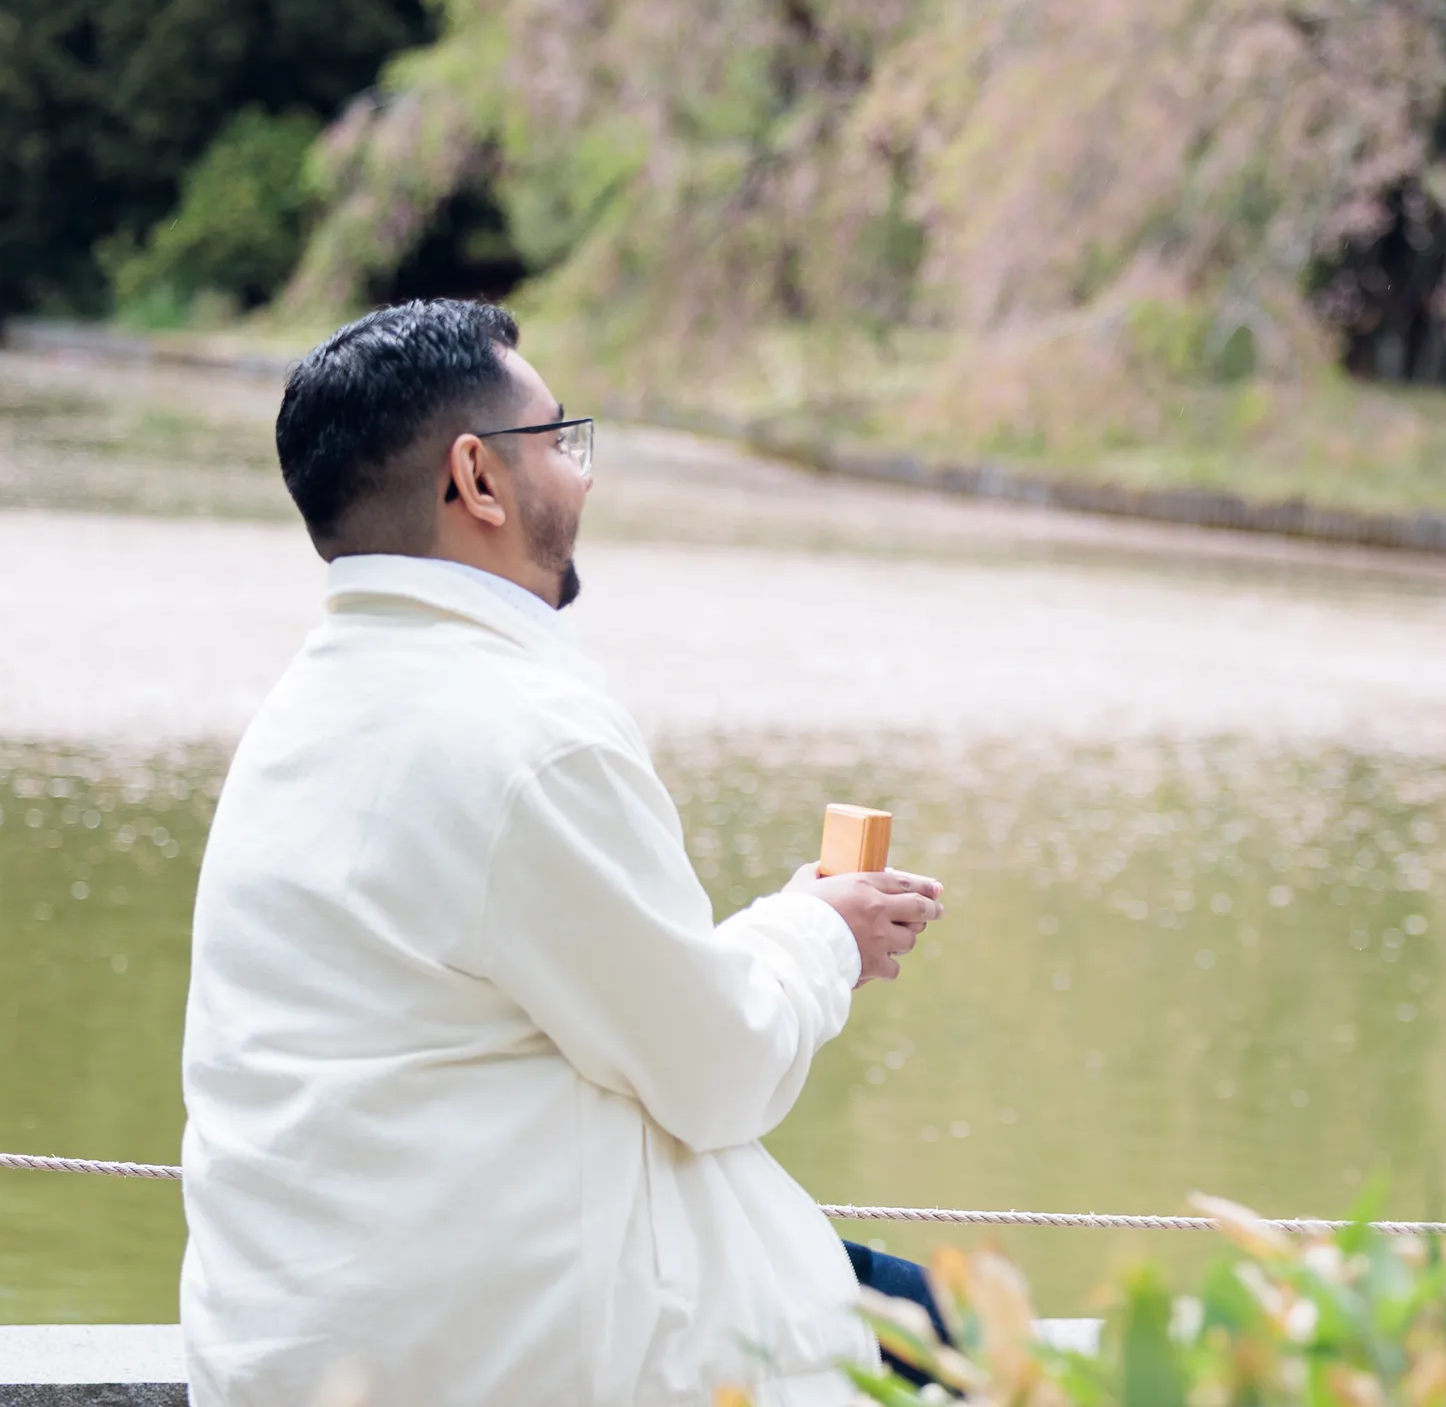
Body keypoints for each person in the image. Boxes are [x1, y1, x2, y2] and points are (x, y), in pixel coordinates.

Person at [180, 298, 949, 1406]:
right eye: (562, 442)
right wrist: (819, 934)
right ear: (478, 479)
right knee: (951, 1337)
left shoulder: (304, 716)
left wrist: (794, 933)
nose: (584, 478)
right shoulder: (522, 739)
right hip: (493, 1353)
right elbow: (718, 1068)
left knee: (891, 1301)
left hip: (311, 1338)